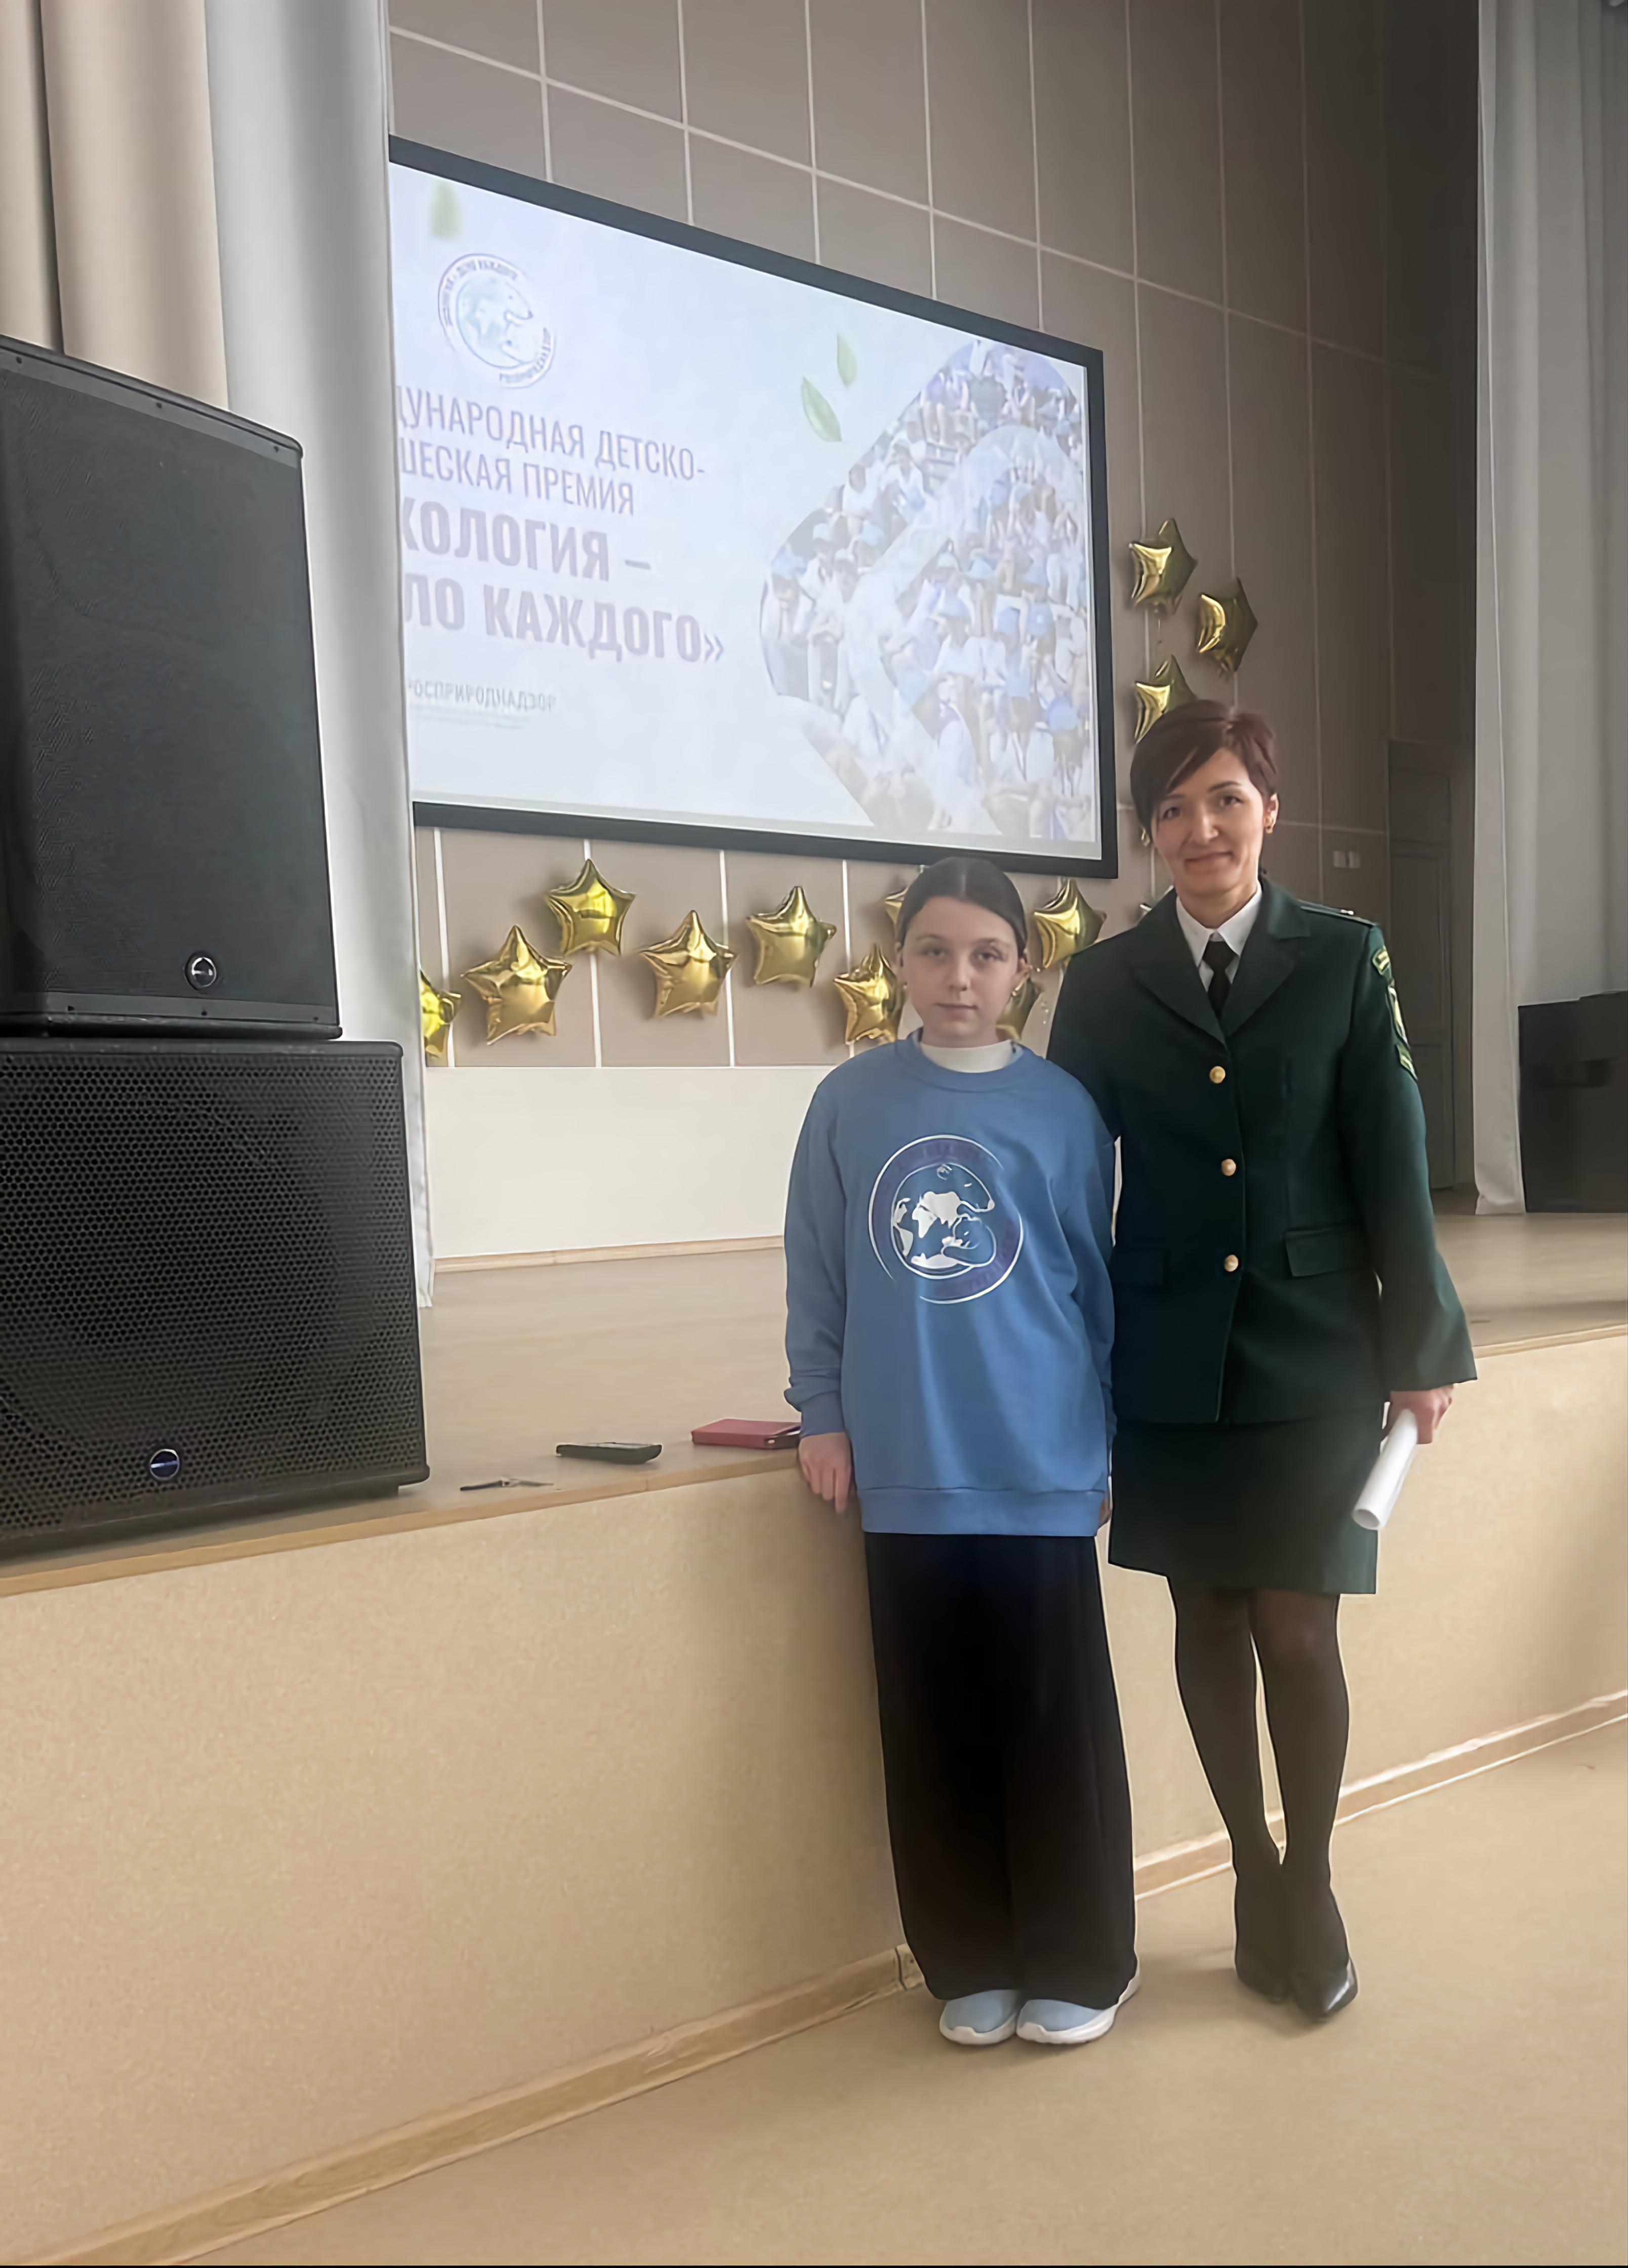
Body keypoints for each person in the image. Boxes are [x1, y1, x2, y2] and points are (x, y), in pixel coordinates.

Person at [1047, 702, 1475, 2022]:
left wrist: (1422, 1339)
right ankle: (1248, 1866)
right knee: (1208, 1617)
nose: (1202, 829)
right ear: (1150, 831)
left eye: (1226, 797)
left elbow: (1393, 1153)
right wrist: (1060, 1364)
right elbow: (1067, 1181)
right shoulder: (1106, 984)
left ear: (1270, 810)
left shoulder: (1345, 955)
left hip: (1314, 1346)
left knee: (1298, 1625)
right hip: (1167, 1349)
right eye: (1173, 808)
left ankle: (1312, 1876)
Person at [785, 857, 1136, 2050]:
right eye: (934, 950)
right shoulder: (850, 1102)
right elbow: (818, 1268)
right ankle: (971, 1953)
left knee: (1050, 1721)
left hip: (1037, 1459)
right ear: (900, 962)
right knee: (932, 1724)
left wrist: (1105, 1439)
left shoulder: (1064, 1110)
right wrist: (821, 1410)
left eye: (986, 953)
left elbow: (1095, 1288)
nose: (959, 976)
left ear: (1022, 969)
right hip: (906, 1463)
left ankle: (1085, 1957)